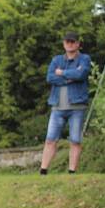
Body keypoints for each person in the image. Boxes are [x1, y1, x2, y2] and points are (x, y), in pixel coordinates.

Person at [39, 31, 91, 175]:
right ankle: (43, 170)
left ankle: (72, 171)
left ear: (78, 44)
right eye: (67, 41)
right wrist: (70, 76)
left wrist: (62, 73)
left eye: (73, 41)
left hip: (77, 106)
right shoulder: (56, 60)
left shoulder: (84, 59)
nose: (70, 44)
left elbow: (82, 74)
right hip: (57, 106)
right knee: (50, 139)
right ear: (64, 44)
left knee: (75, 140)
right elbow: (50, 78)